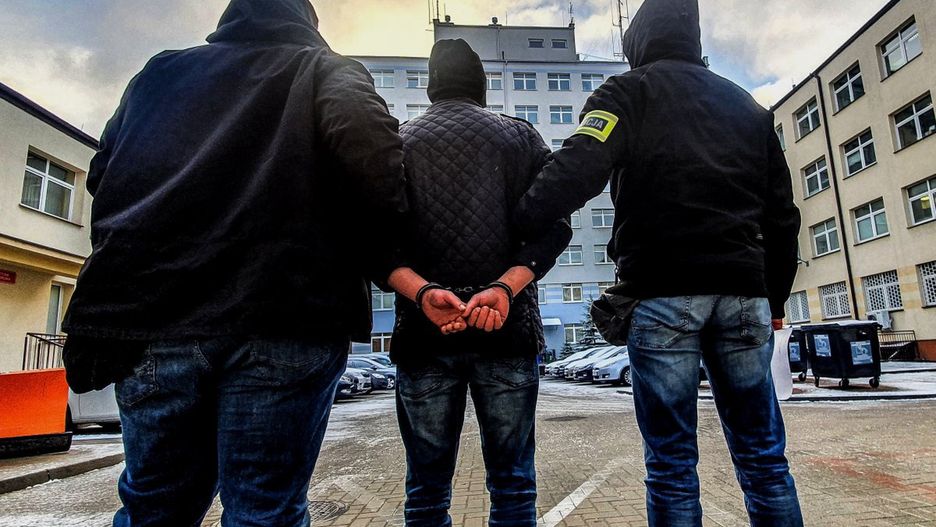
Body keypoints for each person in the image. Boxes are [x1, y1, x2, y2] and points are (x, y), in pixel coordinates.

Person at [60, 1, 407, 525]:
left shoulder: (159, 73)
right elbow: (379, 171)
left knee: (154, 505)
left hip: (152, 314)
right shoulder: (325, 69)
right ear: (306, 21)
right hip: (286, 310)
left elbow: (103, 175)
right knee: (263, 508)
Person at [512, 0, 804, 525]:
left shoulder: (628, 92)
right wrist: (775, 297)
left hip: (663, 292)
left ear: (639, 41)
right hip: (744, 296)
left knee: (671, 464)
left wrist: (522, 217)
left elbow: (578, 167)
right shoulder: (748, 109)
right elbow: (783, 215)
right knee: (764, 457)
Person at [381, 39, 572, 527]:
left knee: (426, 490)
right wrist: (504, 288)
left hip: (424, 336)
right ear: (481, 85)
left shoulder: (398, 142)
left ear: (431, 86)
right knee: (513, 485)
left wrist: (424, 294)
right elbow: (555, 226)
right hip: (506, 332)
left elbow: (375, 243)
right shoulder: (520, 137)